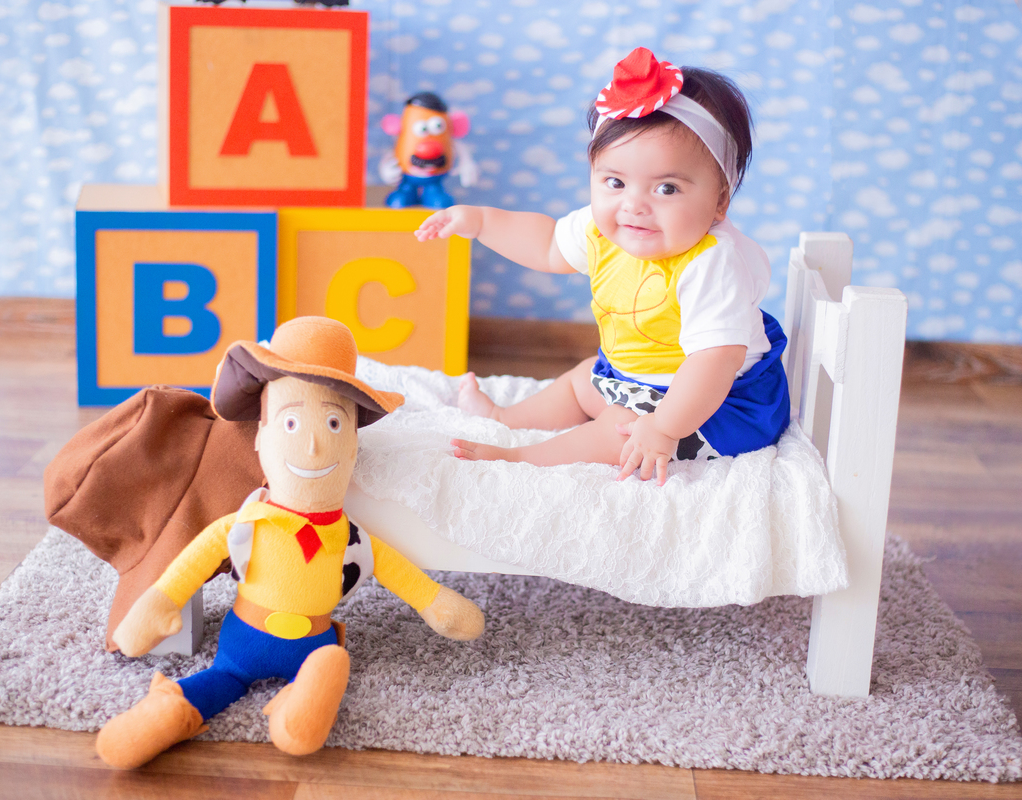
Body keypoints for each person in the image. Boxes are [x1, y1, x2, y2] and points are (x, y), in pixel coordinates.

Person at [96, 317, 484, 769]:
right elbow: (193, 561)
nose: (316, 446)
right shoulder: (248, 520)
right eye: (293, 421)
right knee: (221, 679)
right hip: (241, 645)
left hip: (311, 645)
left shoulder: (350, 537)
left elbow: (395, 569)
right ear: (261, 436)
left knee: (324, 665)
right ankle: (167, 711)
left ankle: (306, 698)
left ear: (354, 444)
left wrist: (436, 603)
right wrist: (159, 602)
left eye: (335, 422)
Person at [414, 47, 790, 485]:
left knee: (618, 430)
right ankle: (504, 414)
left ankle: (520, 460)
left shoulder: (711, 262)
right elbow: (548, 245)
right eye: (615, 182)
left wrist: (664, 427)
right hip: (640, 380)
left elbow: (715, 361)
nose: (634, 205)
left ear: (719, 202)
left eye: (667, 189)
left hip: (716, 406)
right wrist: (480, 222)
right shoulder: (601, 228)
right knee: (581, 381)